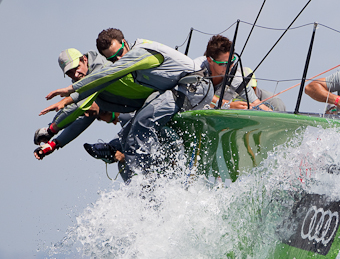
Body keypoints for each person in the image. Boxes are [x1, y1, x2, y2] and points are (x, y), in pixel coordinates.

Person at [44, 28, 213, 181]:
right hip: (176, 92)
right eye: (111, 58)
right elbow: (87, 108)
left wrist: (70, 91)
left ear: (124, 42)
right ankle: (144, 186)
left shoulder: (140, 52)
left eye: (119, 52)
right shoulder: (122, 59)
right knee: (130, 132)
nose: (118, 59)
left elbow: (107, 75)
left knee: (142, 121)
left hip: (193, 88)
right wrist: (54, 136)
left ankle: (152, 178)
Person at [34, 48, 151, 160]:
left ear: (84, 59)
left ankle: (117, 152)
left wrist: (50, 130)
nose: (75, 75)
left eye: (77, 68)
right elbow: (84, 114)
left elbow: (80, 104)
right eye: (70, 73)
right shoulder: (86, 81)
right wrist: (55, 143)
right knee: (125, 150)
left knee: (127, 136)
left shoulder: (99, 66)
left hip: (155, 101)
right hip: (142, 111)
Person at [195, 35, 272, 111]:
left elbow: (258, 104)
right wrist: (230, 105)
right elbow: (200, 97)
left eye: (232, 62)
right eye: (224, 64)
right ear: (210, 60)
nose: (229, 67)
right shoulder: (196, 69)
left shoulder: (236, 79)